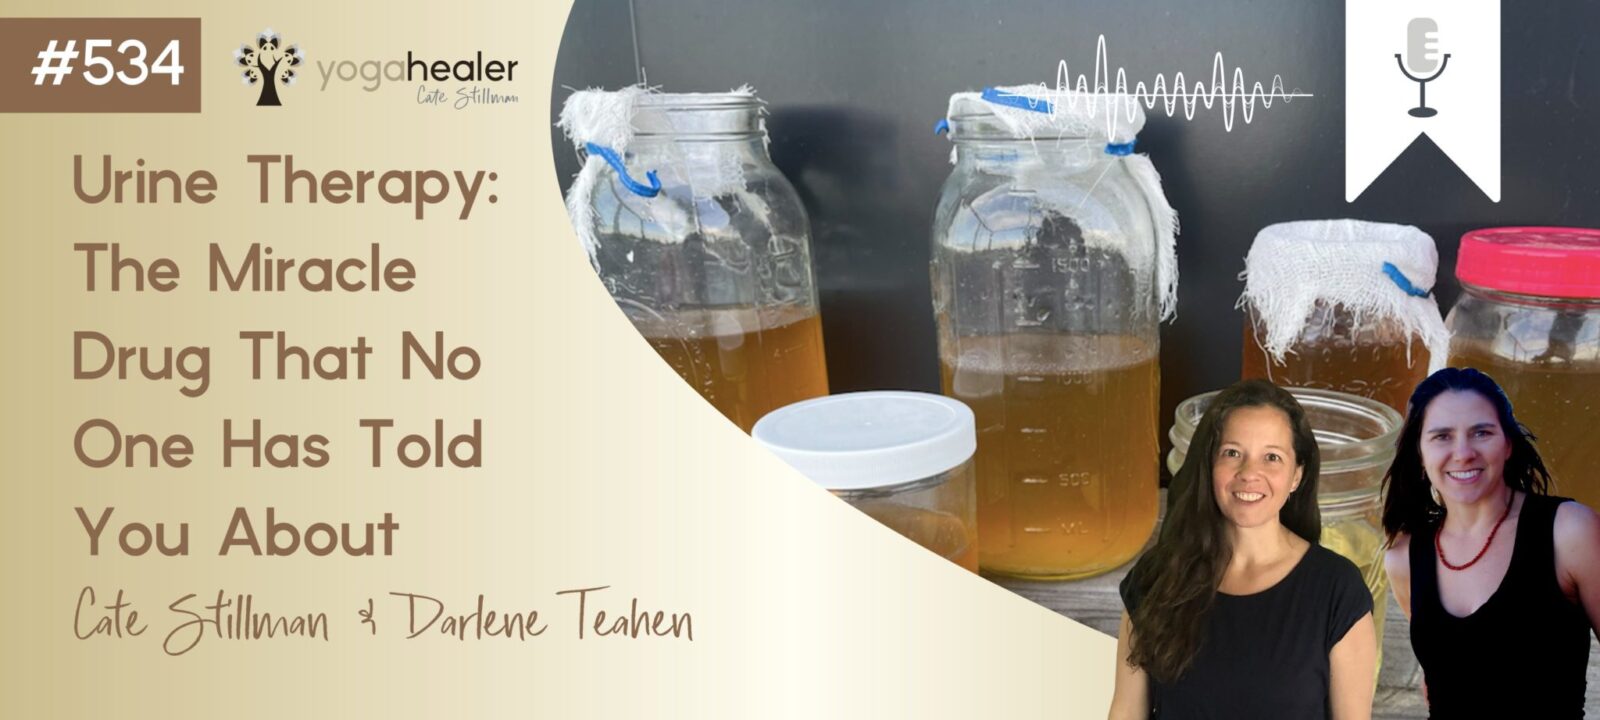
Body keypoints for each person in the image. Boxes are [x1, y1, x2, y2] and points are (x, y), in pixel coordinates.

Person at [1110, 379, 1376, 719]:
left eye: (1272, 457)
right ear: (1209, 464)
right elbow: (1126, 711)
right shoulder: (1155, 579)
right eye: (1232, 453)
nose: (1250, 473)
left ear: (1296, 476)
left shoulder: (1337, 590)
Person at [1382, 367, 1600, 718]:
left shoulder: (1569, 531)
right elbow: (1438, 681)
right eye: (1442, 436)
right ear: (1420, 455)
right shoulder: (1405, 558)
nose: (1463, 452)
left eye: (1481, 433)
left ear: (1508, 444)